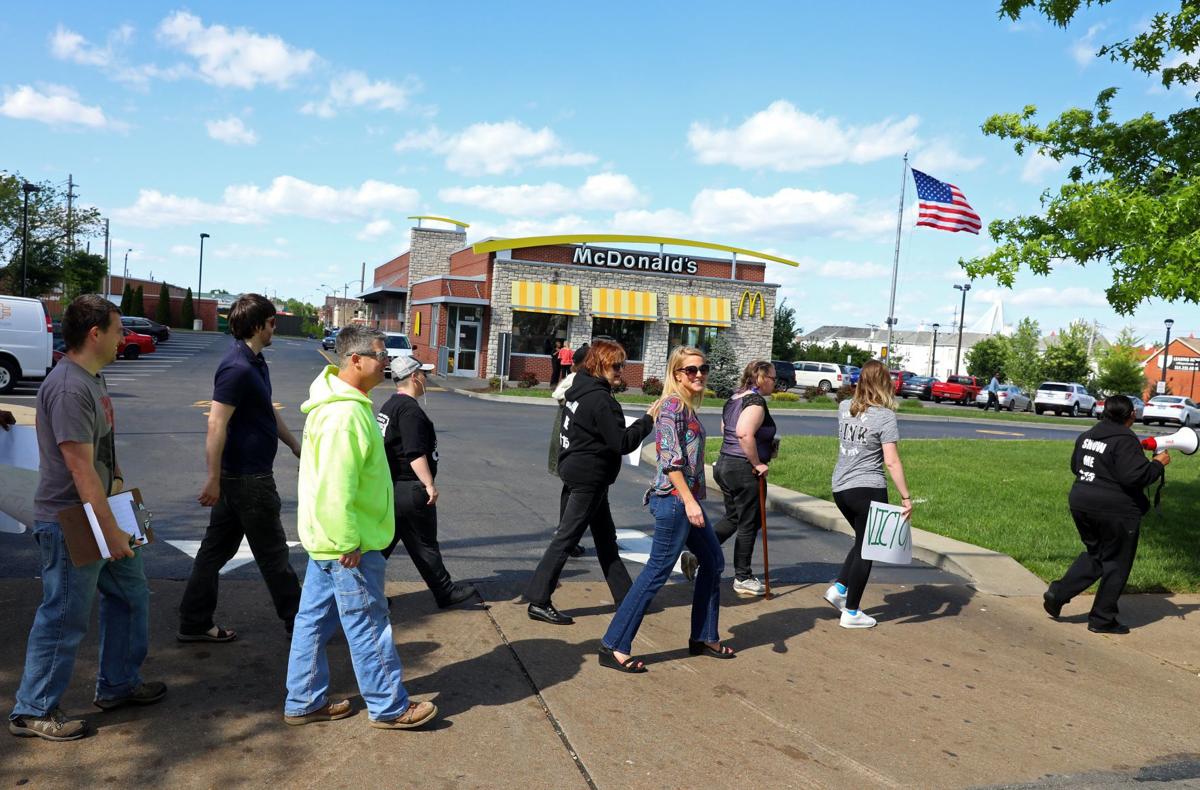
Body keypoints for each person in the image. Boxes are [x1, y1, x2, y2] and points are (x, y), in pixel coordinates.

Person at [9, 295, 165, 742]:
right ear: (95, 333)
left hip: (106, 509)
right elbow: (78, 470)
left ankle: (118, 684)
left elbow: (100, 454)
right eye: (118, 330)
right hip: (72, 520)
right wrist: (111, 530)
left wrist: (118, 485)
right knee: (62, 615)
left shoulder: (92, 379)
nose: (125, 338)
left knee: (132, 596)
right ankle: (32, 709)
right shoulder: (68, 388)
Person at [284, 325, 436, 730]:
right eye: (380, 355)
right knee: (368, 622)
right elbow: (337, 485)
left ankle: (303, 700)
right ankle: (389, 706)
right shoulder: (346, 414)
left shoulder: (343, 403)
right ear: (355, 360)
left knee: (313, 620)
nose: (387, 362)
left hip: (328, 539)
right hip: (348, 543)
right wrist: (349, 540)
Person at [178, 294, 302, 643]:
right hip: (247, 480)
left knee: (214, 552)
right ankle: (300, 624)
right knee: (274, 554)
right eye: (272, 322)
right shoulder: (237, 367)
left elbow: (266, 410)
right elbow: (216, 424)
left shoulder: (256, 363)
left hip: (243, 479)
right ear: (259, 325)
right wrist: (213, 478)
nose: (275, 326)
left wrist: (293, 444)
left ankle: (194, 622)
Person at [599, 347, 731, 672]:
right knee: (657, 571)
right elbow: (670, 460)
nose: (699, 374)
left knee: (713, 562)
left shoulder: (685, 406)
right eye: (691, 370)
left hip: (685, 500)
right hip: (675, 500)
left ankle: (704, 636)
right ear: (676, 375)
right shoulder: (673, 407)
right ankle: (614, 644)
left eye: (703, 368)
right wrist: (689, 502)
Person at [525, 338, 652, 625]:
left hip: (579, 470)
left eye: (623, 365)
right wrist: (648, 420)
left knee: (606, 541)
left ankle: (626, 598)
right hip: (588, 478)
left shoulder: (580, 388)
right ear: (599, 365)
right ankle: (539, 599)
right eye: (616, 365)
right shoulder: (600, 400)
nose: (621, 370)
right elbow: (621, 442)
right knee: (566, 538)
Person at [1043, 395, 1168, 634]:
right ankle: (1102, 619)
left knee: (1097, 554)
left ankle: (1058, 593)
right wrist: (1158, 464)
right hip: (1116, 511)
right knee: (1116, 563)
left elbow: (1075, 467)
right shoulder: (1125, 440)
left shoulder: (1087, 435)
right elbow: (1136, 477)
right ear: (1131, 414)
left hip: (1081, 502)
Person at [379, 355, 477, 608]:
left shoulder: (389, 405)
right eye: (423, 374)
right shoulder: (410, 410)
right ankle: (445, 592)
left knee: (386, 546)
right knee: (424, 544)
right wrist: (428, 484)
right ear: (414, 377)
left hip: (393, 488)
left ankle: (367, 591)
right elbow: (414, 452)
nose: (426, 378)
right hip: (409, 486)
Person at [823, 360, 913, 629]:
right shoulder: (885, 416)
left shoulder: (843, 408)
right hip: (869, 488)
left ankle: (839, 588)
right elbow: (892, 461)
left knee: (862, 541)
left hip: (841, 487)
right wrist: (906, 497)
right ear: (884, 383)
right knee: (868, 548)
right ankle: (851, 612)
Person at [684, 360, 777, 596]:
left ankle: (697, 556)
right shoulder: (755, 402)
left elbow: (726, 430)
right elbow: (744, 433)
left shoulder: (734, 399)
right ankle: (743, 577)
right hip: (743, 469)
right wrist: (757, 462)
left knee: (734, 517)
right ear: (761, 378)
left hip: (725, 465)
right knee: (749, 522)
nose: (775, 383)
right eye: (773, 378)